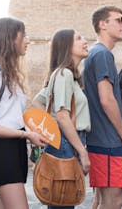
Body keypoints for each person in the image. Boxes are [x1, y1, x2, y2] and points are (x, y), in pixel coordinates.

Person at [0, 17, 47, 209]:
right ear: (9, 39)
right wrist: (27, 134)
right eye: (24, 35)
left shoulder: (8, 74)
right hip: (0, 150)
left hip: (13, 147)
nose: (28, 40)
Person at [82, 5, 122, 209]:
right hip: (107, 141)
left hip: (100, 139)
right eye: (119, 20)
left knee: (100, 200)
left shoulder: (95, 54)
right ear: (102, 24)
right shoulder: (102, 55)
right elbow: (106, 100)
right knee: (114, 201)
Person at [33, 28, 92, 209]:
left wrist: (52, 130)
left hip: (66, 141)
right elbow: (62, 116)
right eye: (79, 38)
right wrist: (81, 151)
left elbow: (37, 102)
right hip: (67, 143)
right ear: (67, 46)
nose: (85, 41)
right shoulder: (64, 74)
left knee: (62, 201)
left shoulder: (66, 76)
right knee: (63, 201)